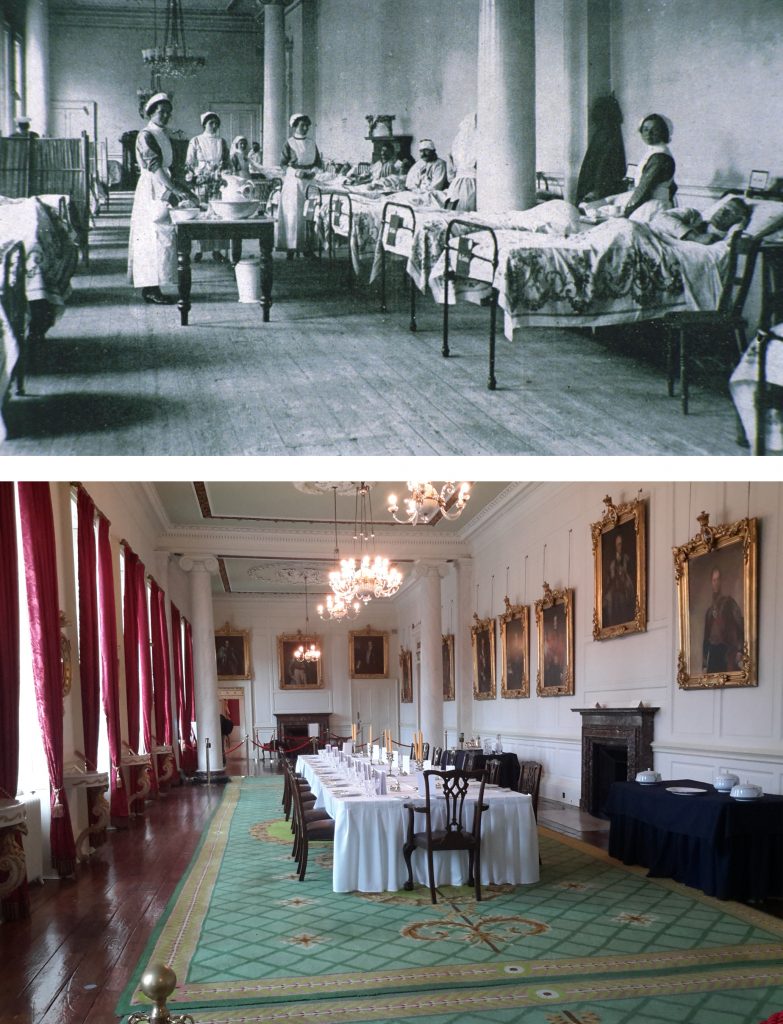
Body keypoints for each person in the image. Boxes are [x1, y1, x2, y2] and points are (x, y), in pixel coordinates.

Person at [128, 92, 192, 305]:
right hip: (152, 187)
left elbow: (171, 165)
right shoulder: (146, 135)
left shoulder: (164, 134)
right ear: (150, 112)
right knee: (150, 237)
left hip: (163, 184)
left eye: (168, 112)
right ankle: (150, 288)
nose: (165, 115)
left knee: (164, 236)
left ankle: (157, 284)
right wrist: (174, 188)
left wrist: (179, 187)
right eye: (160, 112)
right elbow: (155, 167)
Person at [185, 111, 231, 263]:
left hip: (217, 183)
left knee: (218, 215)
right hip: (202, 182)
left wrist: (223, 174)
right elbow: (189, 163)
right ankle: (199, 249)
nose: (214, 126)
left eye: (216, 123)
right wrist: (194, 176)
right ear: (204, 124)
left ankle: (217, 250)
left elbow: (227, 163)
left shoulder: (222, 142)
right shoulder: (196, 141)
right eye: (211, 123)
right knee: (202, 215)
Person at [276, 113, 323, 257]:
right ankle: (291, 248)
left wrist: (313, 172)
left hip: (309, 181)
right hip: (293, 183)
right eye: (302, 125)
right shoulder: (289, 143)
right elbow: (283, 165)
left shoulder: (311, 143)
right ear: (294, 126)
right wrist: (297, 173)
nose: (305, 128)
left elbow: (318, 163)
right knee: (293, 215)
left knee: (310, 214)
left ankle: (309, 248)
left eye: (306, 125)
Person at [623, 113, 676, 222]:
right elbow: (673, 187)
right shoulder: (657, 152)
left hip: (651, 208)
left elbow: (644, 189)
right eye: (645, 129)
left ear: (663, 132)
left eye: (654, 130)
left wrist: (626, 212)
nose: (648, 133)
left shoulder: (659, 156)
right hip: (655, 205)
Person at [576, 95, 627, 204]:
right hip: (599, 187)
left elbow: (602, 167)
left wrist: (597, 190)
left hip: (598, 189)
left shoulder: (605, 135)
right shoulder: (610, 133)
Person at [650, 196, 751, 244]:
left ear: (738, 219)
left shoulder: (723, 241)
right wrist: (695, 237)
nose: (722, 213)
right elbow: (660, 217)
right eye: (722, 208)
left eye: (729, 212)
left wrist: (742, 223)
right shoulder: (693, 216)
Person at [702, 566, 744, 673]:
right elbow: (706, 639)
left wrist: (740, 651)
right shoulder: (709, 612)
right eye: (714, 580)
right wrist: (704, 664)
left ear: (722, 581)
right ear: (711, 582)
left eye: (718, 579)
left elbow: (741, 626)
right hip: (713, 656)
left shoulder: (730, 603)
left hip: (727, 653)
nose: (716, 582)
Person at [442, 112, 477, 211]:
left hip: (456, 184)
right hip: (473, 184)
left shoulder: (456, 144)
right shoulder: (479, 144)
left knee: (454, 213)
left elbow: (450, 174)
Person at [603, 533, 636, 626]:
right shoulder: (612, 562)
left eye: (621, 544)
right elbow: (609, 579)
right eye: (618, 544)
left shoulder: (627, 559)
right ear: (615, 546)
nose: (620, 546)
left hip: (625, 586)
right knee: (610, 599)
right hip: (615, 588)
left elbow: (629, 575)